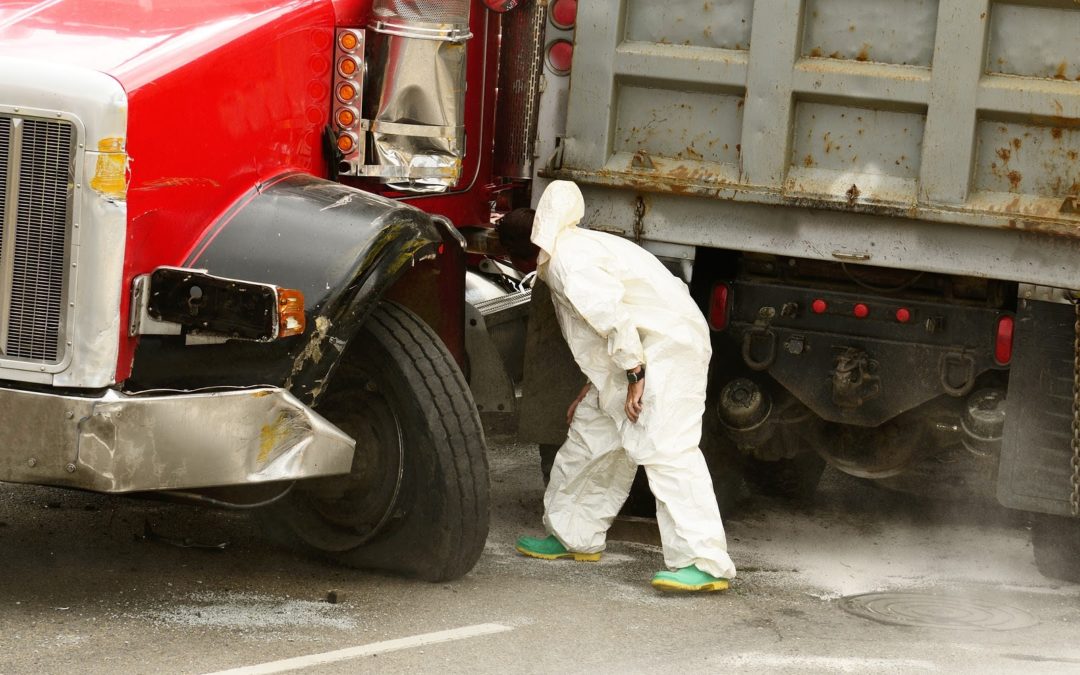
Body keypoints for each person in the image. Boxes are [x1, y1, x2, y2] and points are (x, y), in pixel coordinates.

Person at [514, 180, 737, 592]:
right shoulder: (570, 249)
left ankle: (704, 562)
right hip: (639, 349)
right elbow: (600, 328)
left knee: (667, 447)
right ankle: (572, 534)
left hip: (666, 348)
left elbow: (611, 315)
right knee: (592, 434)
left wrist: (634, 375)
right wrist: (596, 381)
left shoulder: (568, 262)